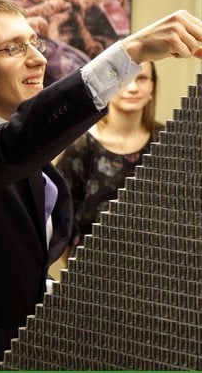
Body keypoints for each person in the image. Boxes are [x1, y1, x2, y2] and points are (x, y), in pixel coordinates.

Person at [0, 0, 202, 371]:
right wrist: (129, 52)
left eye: (34, 42)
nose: (38, 58)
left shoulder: (28, 155)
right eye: (13, 48)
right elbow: (10, 147)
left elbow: (17, 272)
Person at [55, 61, 163, 255]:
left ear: (153, 85)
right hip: (91, 271)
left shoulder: (167, 141)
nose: (133, 88)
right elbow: (61, 225)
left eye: (142, 78)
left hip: (157, 269)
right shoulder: (80, 148)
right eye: (124, 78)